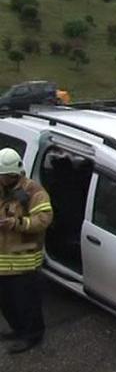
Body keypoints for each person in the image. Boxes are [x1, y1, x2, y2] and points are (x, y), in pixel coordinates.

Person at [0, 148, 53, 354]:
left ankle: (32, 335)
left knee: (26, 303)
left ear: (13, 174)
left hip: (24, 261)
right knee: (7, 303)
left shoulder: (34, 192)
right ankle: (18, 329)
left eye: (2, 176)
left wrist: (16, 223)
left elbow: (43, 220)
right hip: (3, 261)